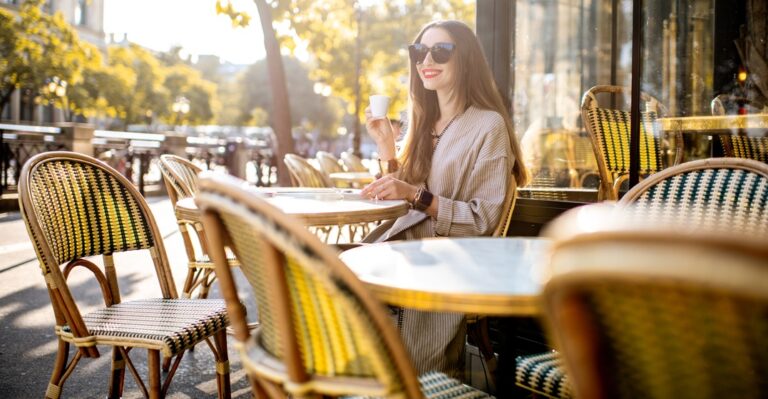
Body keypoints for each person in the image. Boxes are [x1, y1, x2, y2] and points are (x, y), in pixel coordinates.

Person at [360, 20, 529, 376]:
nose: (426, 59)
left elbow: (484, 220)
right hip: (402, 245)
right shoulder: (423, 121)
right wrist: (386, 148)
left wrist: (418, 196)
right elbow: (399, 194)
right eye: (419, 51)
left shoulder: (489, 126)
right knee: (315, 271)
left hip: (449, 256)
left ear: (465, 59)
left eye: (441, 51)